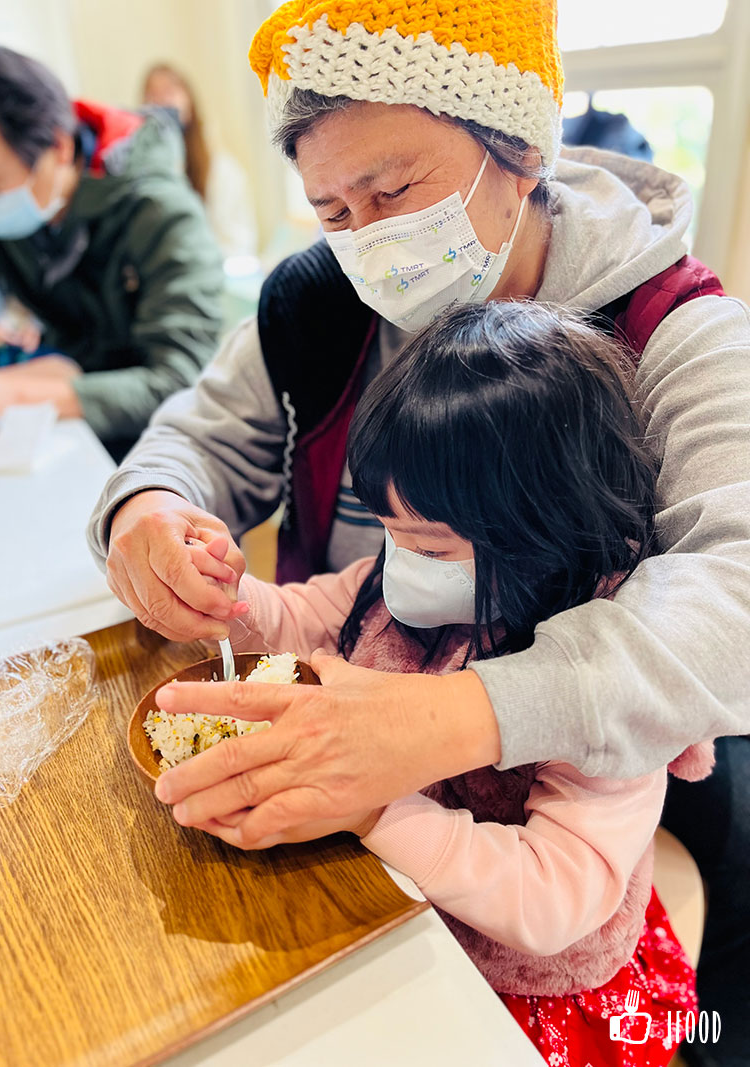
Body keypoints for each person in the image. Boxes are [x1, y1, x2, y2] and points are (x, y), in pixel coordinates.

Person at [89, 5, 750, 1062]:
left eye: (393, 192)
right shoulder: (316, 304)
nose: (367, 240)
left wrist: (440, 722)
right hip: (352, 770)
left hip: (532, 812)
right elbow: (194, 439)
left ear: (518, 152)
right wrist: (149, 515)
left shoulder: (674, 336)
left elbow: (731, 602)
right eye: (332, 209)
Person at [155, 301, 709, 1065]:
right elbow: (305, 618)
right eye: (388, 532)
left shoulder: (606, 679)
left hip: (525, 981)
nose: (398, 562)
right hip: (400, 900)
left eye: (429, 547)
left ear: (546, 531)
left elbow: (554, 896)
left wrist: (373, 806)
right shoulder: (406, 573)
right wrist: (231, 597)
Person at [0, 42, 223, 459]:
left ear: (58, 148)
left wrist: (6, 394)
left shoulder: (162, 215)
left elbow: (181, 381)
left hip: (161, 449)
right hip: (62, 423)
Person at [141, 62, 258, 259]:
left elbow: (237, 243)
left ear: (188, 100)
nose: (161, 102)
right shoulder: (142, 171)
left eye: (169, 91)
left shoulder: (221, 169)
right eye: (152, 94)